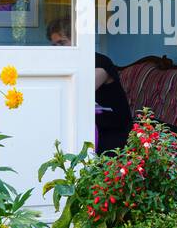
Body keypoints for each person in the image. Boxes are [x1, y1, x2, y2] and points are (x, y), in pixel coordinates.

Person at [47, 18, 130, 154]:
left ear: (78, 40)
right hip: (88, 127)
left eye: (62, 43)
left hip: (112, 131)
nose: (58, 49)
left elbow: (79, 90)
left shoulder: (100, 62)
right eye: (54, 45)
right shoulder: (67, 65)